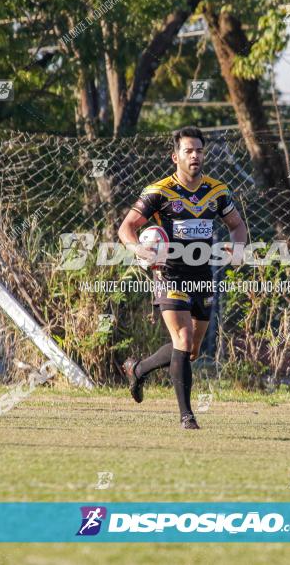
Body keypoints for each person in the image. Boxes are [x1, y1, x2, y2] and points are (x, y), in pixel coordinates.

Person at [117, 126, 247, 429]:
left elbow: (236, 225)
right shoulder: (158, 192)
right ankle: (186, 415)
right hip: (169, 274)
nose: (195, 156)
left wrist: (237, 249)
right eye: (189, 151)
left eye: (199, 150)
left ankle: (138, 370)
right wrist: (139, 250)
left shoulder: (217, 191)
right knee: (183, 337)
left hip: (202, 274)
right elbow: (127, 228)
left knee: (190, 350)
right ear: (175, 156)